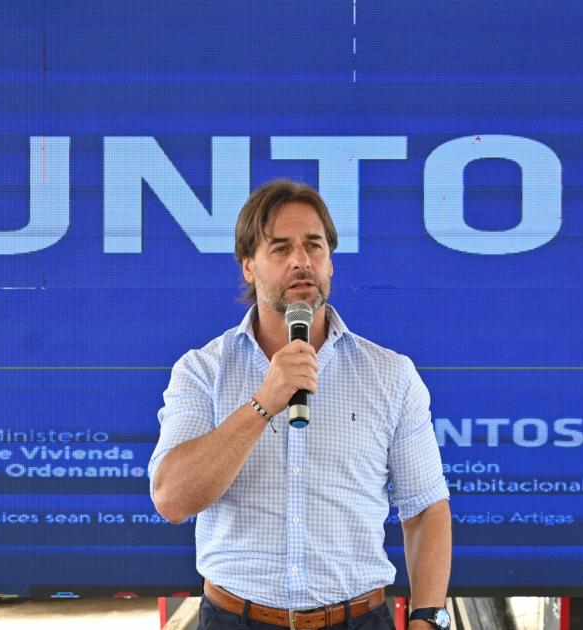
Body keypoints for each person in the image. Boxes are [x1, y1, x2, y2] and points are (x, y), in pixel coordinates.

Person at [149, 179, 452, 630]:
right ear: (248, 266)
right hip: (236, 619)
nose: (301, 260)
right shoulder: (202, 371)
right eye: (280, 248)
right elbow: (172, 499)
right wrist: (266, 400)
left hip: (358, 618)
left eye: (314, 245)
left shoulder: (390, 374)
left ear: (330, 263)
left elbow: (426, 507)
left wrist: (429, 618)